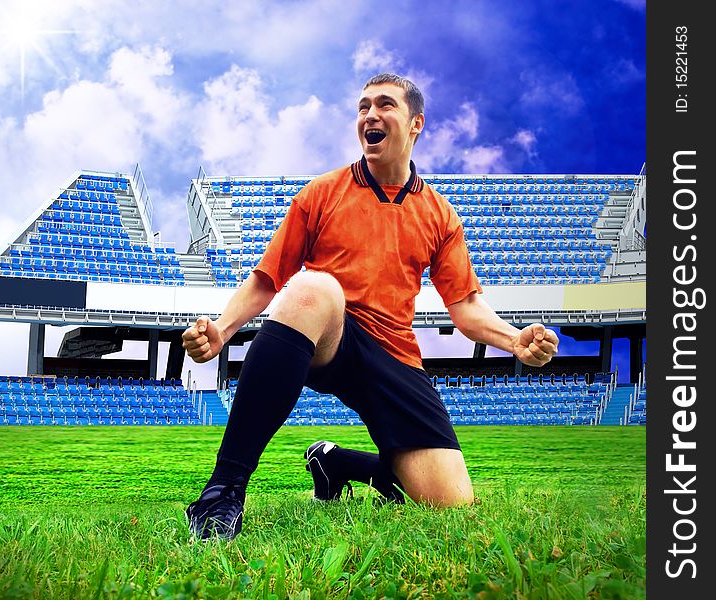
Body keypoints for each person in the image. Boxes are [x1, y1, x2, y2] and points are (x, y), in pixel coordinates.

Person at [182, 73, 559, 540]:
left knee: (450, 502)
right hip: (329, 333)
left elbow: (464, 306)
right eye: (363, 107)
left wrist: (513, 339)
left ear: (416, 123)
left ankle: (334, 462)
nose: (370, 116)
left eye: (385, 105)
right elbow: (267, 280)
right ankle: (222, 493)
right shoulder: (322, 193)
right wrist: (221, 328)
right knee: (314, 287)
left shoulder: (440, 214)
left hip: (394, 352)